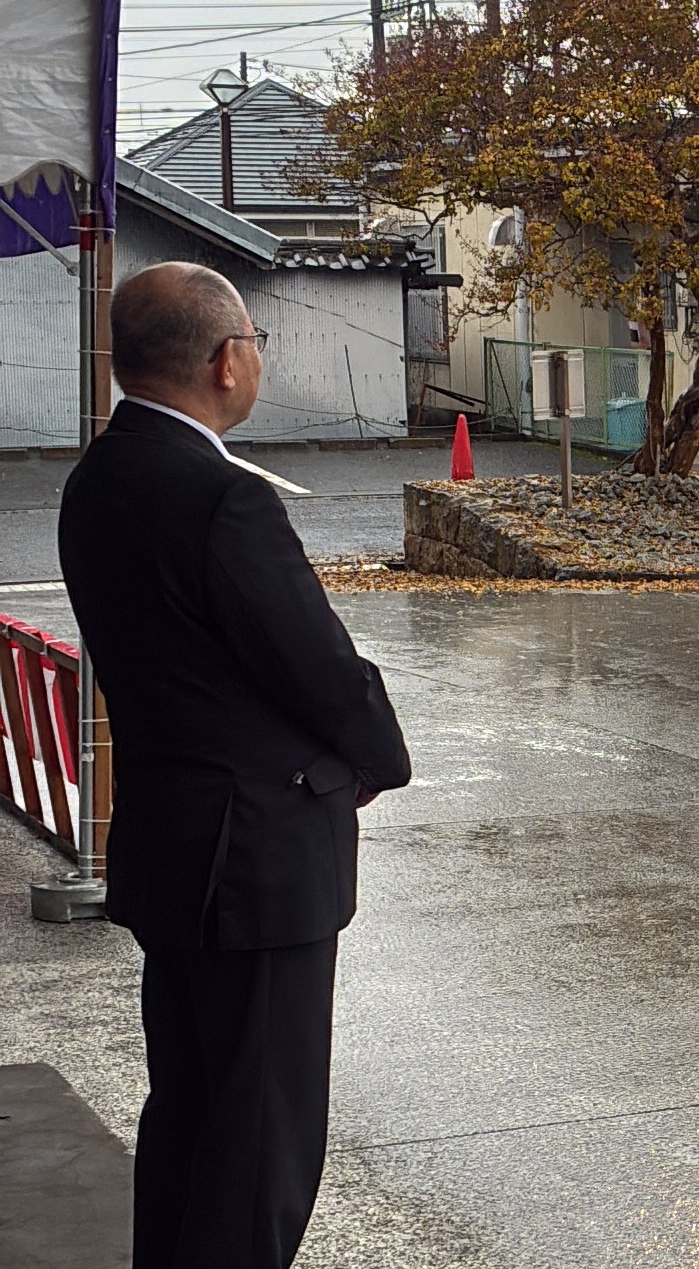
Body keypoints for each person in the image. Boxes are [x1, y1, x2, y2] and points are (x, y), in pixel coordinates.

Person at [58, 262, 411, 1269]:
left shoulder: (97, 479)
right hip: (257, 861)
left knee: (188, 1117)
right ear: (225, 360)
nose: (256, 357)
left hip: (171, 843)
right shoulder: (222, 498)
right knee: (260, 1148)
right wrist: (380, 754)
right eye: (254, 340)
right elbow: (317, 665)